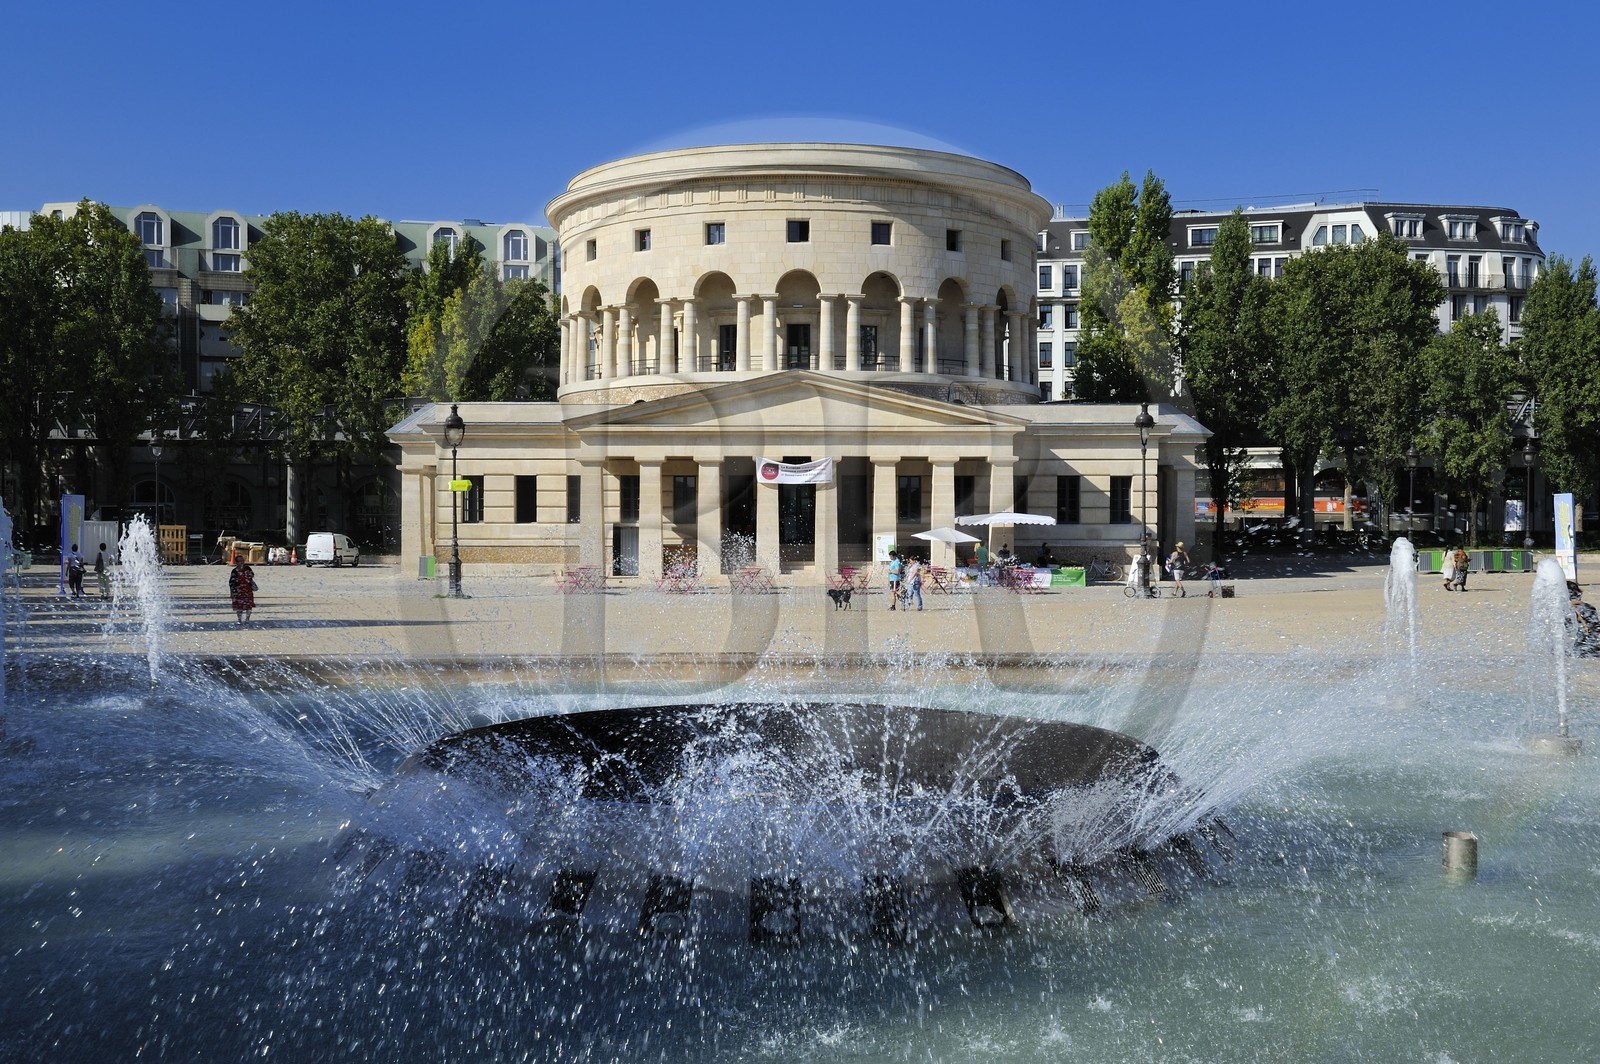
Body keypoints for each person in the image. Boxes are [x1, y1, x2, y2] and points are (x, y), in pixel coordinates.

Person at [1569, 581, 1599, 657]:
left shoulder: (1562, 610)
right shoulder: (1588, 607)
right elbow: (1596, 628)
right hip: (1588, 648)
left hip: (1571, 649)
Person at [229, 559, 258, 623]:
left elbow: (252, 575)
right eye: (239, 561)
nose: (241, 563)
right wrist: (232, 592)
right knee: (239, 606)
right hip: (238, 590)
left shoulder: (247, 568)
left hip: (248, 589)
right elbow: (231, 583)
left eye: (242, 561)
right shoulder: (234, 571)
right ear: (236, 563)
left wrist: (250, 574)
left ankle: (247, 619)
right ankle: (239, 619)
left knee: (249, 605)